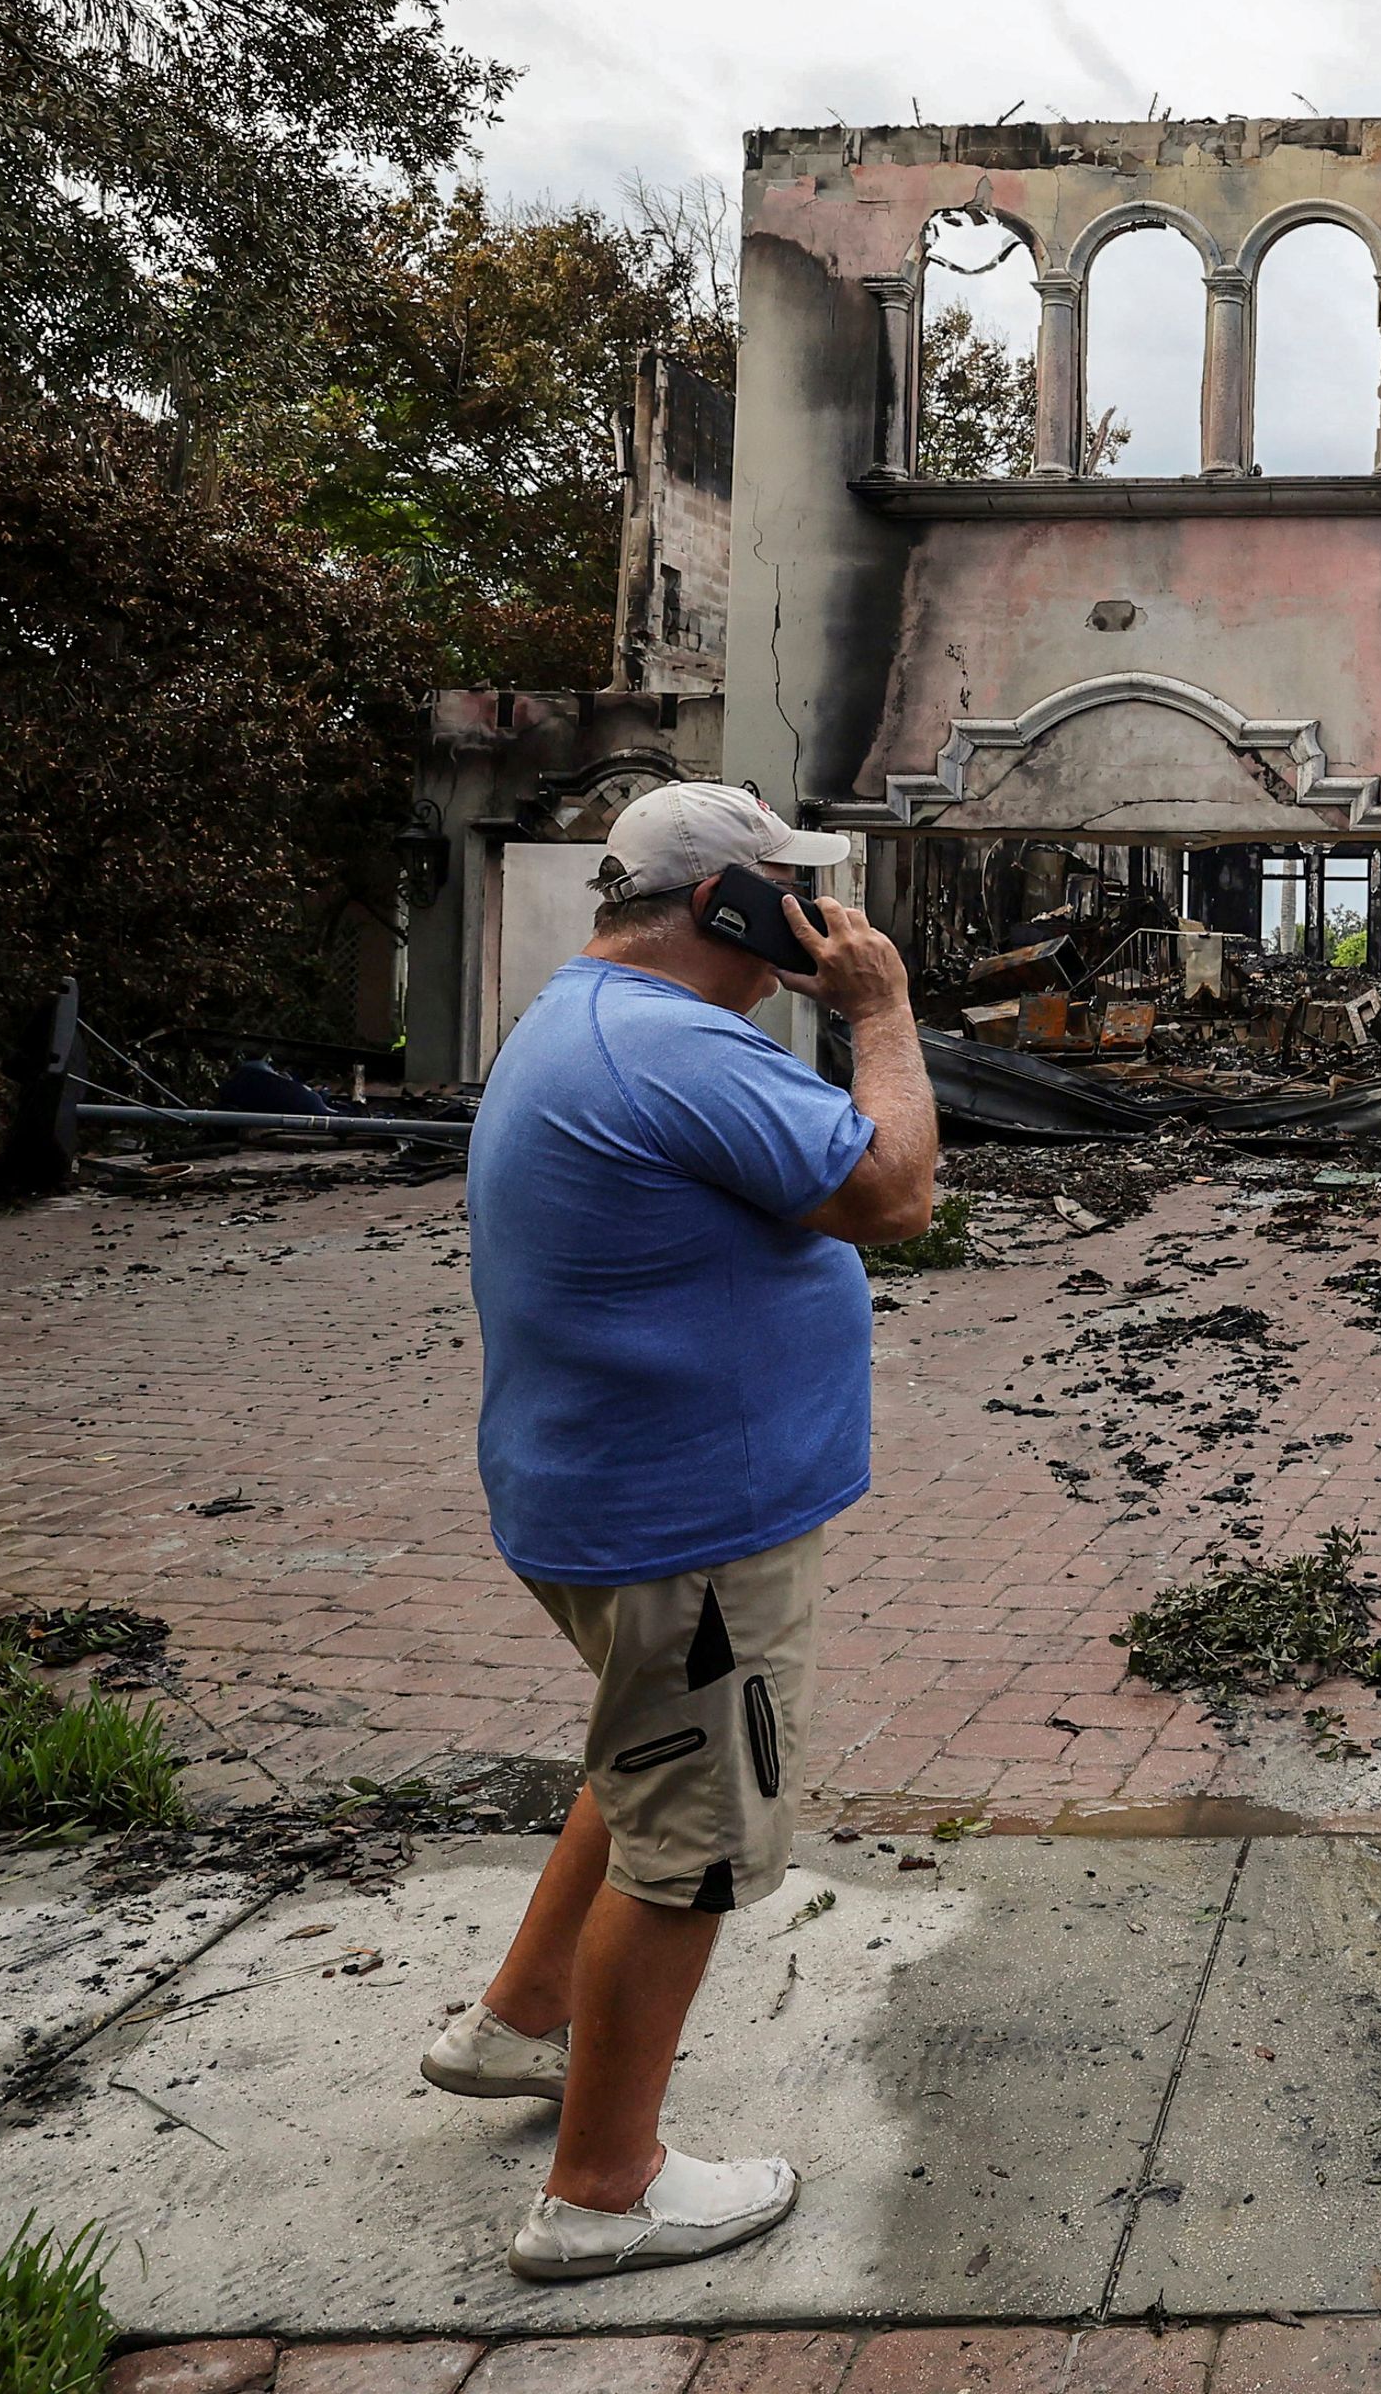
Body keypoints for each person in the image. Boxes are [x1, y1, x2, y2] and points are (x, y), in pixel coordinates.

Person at [418, 781, 935, 2282]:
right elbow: (894, 1191)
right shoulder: (668, 1046)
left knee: (646, 1754)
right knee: (693, 1850)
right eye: (797, 887)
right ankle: (602, 2189)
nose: (825, 911)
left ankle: (520, 2022)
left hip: (610, 1500)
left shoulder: (584, 1018)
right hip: (688, 1527)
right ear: (730, 905)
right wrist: (880, 1016)